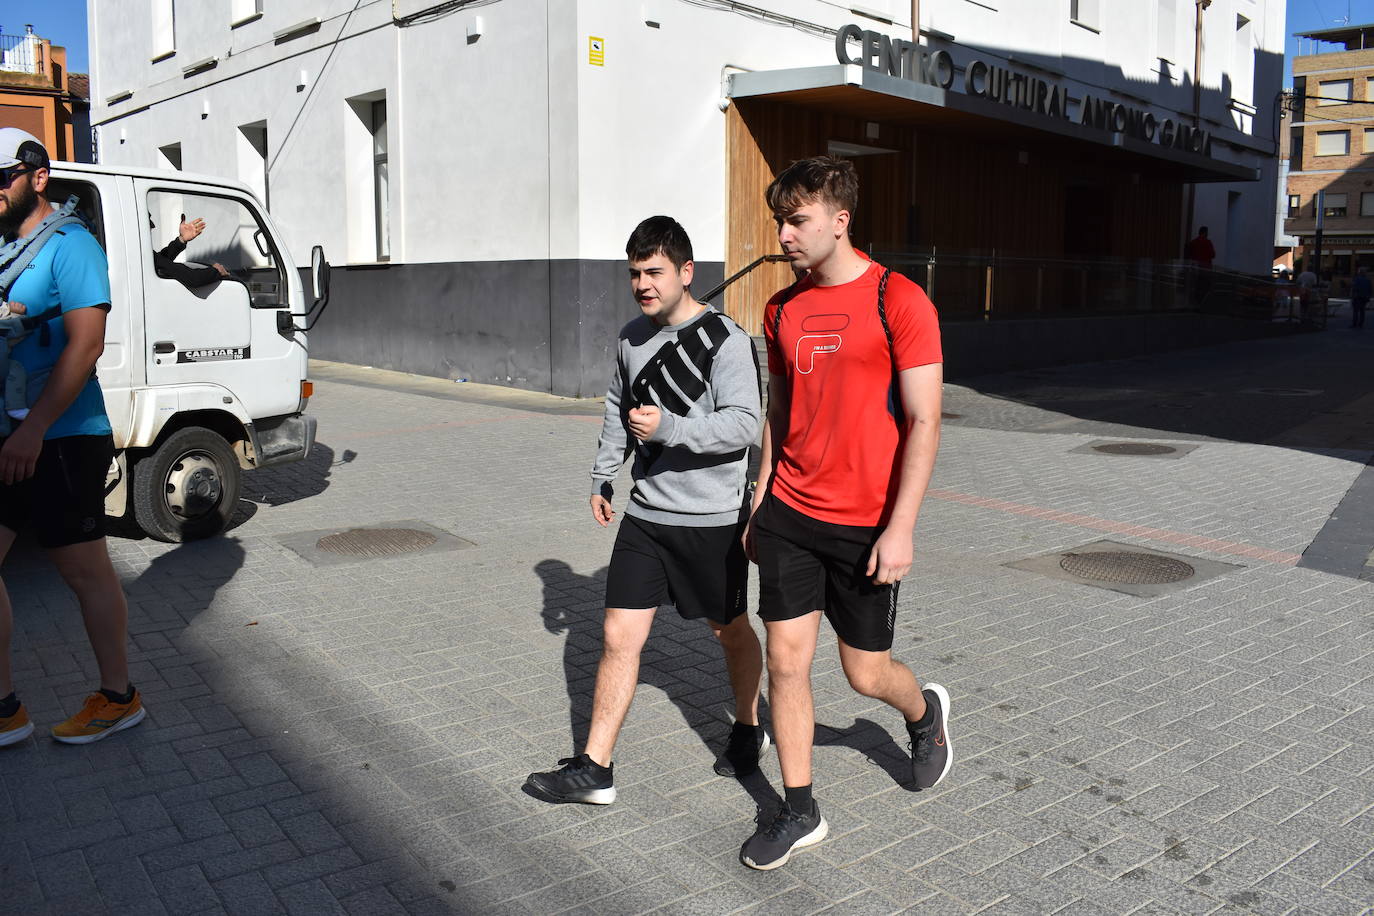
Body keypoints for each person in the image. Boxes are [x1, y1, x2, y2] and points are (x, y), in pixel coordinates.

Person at [739, 157, 949, 871]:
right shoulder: (780, 308)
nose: (784, 234)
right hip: (790, 515)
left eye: (796, 220)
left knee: (865, 673)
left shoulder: (900, 299)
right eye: (780, 220)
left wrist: (902, 526)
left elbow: (924, 421)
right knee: (786, 663)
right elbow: (778, 410)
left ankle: (923, 716)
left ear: (840, 218)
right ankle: (800, 809)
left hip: (866, 525)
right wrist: (759, 497)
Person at [525, 216, 765, 804]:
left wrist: (672, 427)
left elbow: (744, 423)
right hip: (647, 514)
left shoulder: (726, 341)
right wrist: (604, 475)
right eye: (634, 273)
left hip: (711, 519)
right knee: (617, 635)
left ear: (686, 273)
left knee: (728, 630)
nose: (643, 283)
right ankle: (596, 767)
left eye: (654, 271)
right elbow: (617, 409)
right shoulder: (632, 338)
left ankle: (747, 724)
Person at [0, 128, 144, 748]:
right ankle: (5, 708)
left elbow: (86, 347)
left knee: (84, 574)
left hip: (60, 437)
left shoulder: (73, 246)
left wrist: (33, 429)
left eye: (0, 177)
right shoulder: (3, 250)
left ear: (36, 177)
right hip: (9, 434)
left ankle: (119, 697)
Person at [152, 214, 231, 289]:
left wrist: (181, 240)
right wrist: (216, 271)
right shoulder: (143, 259)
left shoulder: (147, 258)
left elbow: (160, 261)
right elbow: (193, 278)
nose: (153, 227)